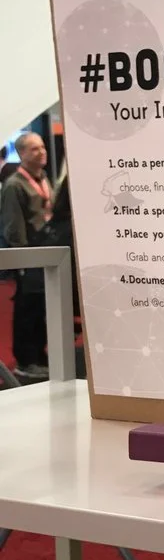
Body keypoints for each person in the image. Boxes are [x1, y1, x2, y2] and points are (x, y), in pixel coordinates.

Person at [0, 131, 52, 378]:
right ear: (21, 153)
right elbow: (13, 226)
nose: (42, 152)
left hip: (48, 253)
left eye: (42, 147)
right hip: (29, 255)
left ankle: (40, 355)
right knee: (27, 308)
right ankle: (26, 360)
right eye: (34, 149)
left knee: (42, 306)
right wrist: (22, 258)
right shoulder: (14, 185)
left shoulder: (43, 178)